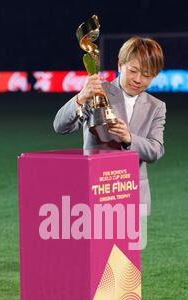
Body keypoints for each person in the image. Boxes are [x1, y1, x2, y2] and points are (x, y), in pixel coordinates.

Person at [54, 37, 166, 216]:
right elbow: (60, 126)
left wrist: (129, 139)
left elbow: (156, 151)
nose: (138, 79)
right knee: (95, 245)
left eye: (147, 75)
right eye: (133, 71)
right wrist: (81, 97)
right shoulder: (97, 92)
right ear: (120, 64)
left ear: (155, 76)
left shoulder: (157, 106)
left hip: (132, 198)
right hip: (95, 192)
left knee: (129, 246)